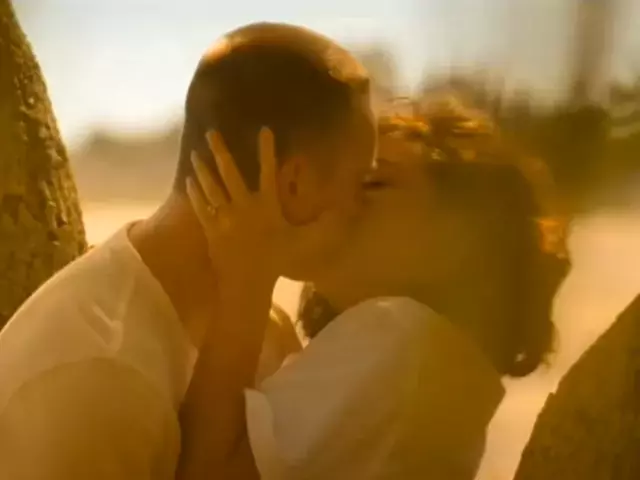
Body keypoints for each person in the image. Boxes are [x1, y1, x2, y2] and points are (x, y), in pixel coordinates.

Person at [0, 22, 375, 479]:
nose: (366, 212)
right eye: (361, 185)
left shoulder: (262, 327)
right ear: (294, 184)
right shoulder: (95, 370)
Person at [182, 97, 569, 479]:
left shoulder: (401, 340)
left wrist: (245, 284)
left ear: (461, 240)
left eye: (373, 183)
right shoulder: (430, 359)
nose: (336, 199)